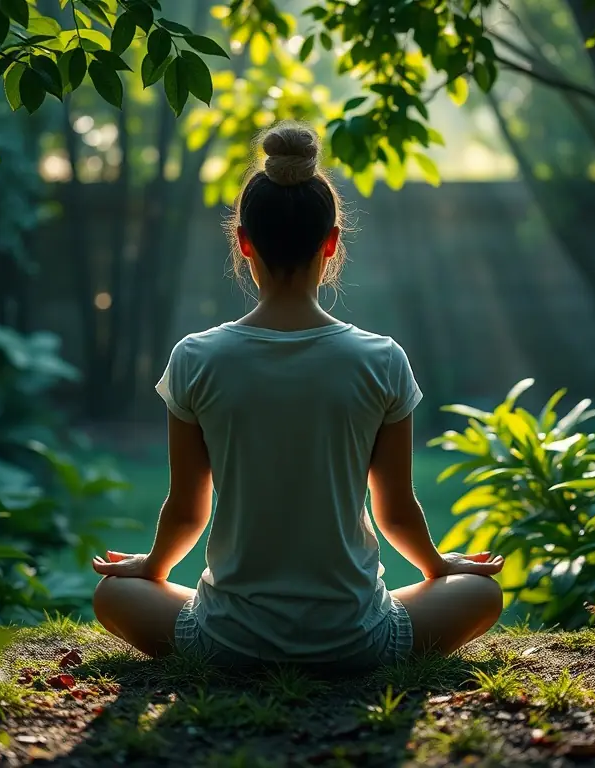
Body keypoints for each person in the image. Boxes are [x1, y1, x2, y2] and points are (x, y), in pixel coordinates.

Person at [92, 123, 504, 671]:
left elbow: (189, 509)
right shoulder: (381, 359)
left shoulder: (196, 357)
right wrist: (439, 568)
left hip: (226, 643)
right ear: (332, 243)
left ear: (243, 242)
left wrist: (150, 569)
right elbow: (396, 511)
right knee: (481, 594)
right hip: (358, 642)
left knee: (112, 596)